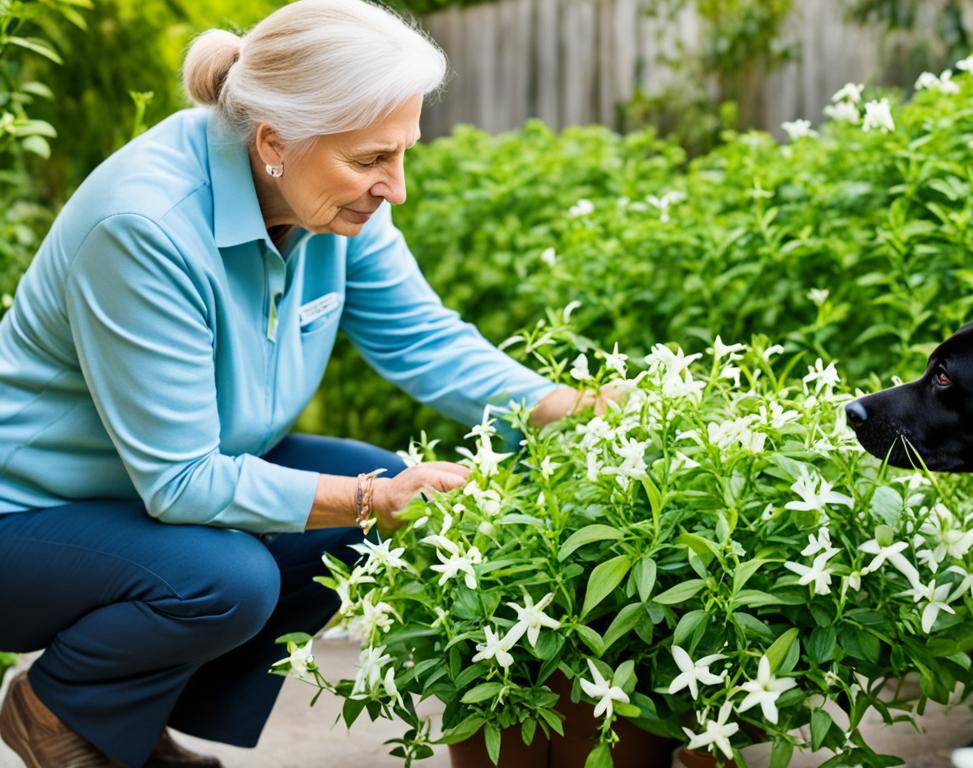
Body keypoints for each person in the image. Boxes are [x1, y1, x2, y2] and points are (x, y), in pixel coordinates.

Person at [0, 1, 611, 766]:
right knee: (230, 577)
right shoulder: (145, 227)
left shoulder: (328, 199)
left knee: (364, 508)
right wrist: (368, 500)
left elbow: (421, 338)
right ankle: (58, 711)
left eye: (402, 153)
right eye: (371, 160)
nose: (396, 187)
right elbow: (182, 483)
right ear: (273, 142)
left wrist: (575, 410)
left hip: (137, 491)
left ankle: (113, 716)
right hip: (27, 516)